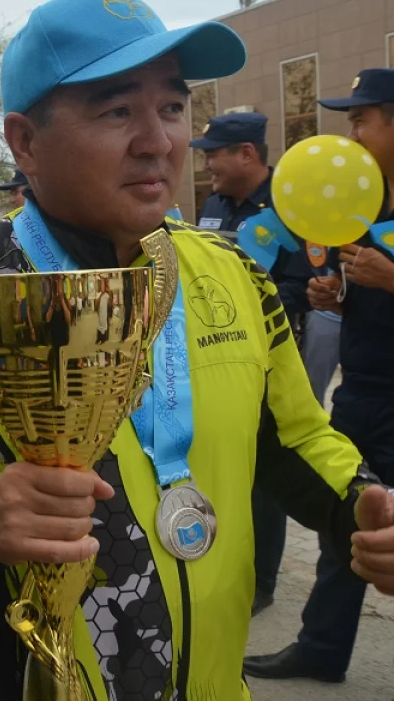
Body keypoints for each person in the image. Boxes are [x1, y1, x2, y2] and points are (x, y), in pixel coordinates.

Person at [0, 0, 394, 701]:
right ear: (25, 141)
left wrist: (360, 503)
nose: (157, 140)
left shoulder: (232, 277)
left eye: (173, 107)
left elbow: (297, 436)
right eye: (118, 110)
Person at [245, 67, 394, 684]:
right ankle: (322, 646)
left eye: (362, 119)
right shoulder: (364, 201)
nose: (352, 132)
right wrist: (335, 296)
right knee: (353, 514)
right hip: (362, 390)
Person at [190, 111, 311, 615]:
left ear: (247, 154)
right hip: (211, 354)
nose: (207, 161)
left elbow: (303, 287)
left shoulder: (289, 208)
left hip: (267, 357)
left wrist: (245, 301)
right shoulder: (214, 204)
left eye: (215, 152)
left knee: (264, 464)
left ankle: (260, 580)